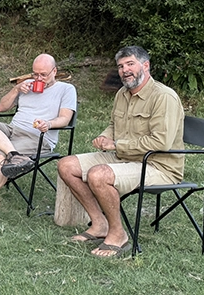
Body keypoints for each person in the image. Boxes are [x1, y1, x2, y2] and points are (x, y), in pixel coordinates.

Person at [57, 46, 184, 257]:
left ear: (145, 65)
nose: (125, 70)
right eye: (121, 66)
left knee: (99, 174)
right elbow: (113, 125)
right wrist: (106, 136)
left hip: (158, 165)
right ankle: (99, 224)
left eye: (130, 64)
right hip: (124, 157)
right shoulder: (122, 94)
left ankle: (118, 234)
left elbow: (160, 142)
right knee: (66, 165)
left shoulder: (164, 97)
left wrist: (117, 145)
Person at [0, 54, 77, 223]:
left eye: (43, 74)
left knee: (2, 155)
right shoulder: (26, 86)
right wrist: (16, 90)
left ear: (54, 71)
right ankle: (14, 154)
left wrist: (48, 124)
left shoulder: (66, 89)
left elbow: (65, 118)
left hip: (38, 136)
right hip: (13, 130)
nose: (39, 78)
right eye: (35, 74)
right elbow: (1, 107)